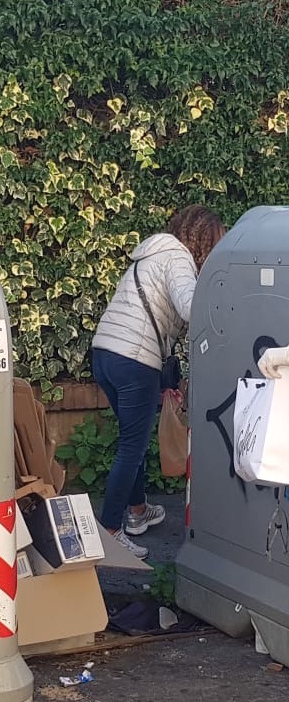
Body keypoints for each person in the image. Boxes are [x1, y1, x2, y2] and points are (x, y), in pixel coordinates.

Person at [91, 205, 226, 559]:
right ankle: (110, 531)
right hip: (134, 360)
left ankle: (137, 512)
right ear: (203, 240)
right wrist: (224, 303)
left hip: (105, 353)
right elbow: (191, 307)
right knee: (132, 447)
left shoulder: (152, 254)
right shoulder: (178, 258)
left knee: (130, 439)